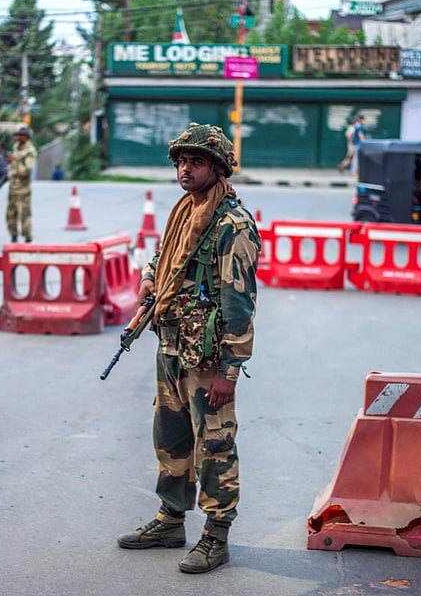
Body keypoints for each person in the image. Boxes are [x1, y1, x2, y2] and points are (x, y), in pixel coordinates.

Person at [116, 122, 261, 574]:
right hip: (172, 346)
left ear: (217, 169)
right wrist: (147, 279)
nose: (185, 168)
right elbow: (164, 257)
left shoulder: (232, 225)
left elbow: (240, 303)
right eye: (181, 161)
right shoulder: (185, 211)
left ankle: (216, 535)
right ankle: (170, 520)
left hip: (209, 357)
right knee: (172, 437)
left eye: (196, 161)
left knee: (215, 444)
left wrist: (229, 372)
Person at [5, 127, 36, 243]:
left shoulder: (30, 152)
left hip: (23, 190)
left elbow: (26, 171)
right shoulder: (15, 148)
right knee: (10, 215)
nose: (18, 137)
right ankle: (13, 236)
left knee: (24, 215)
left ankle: (28, 238)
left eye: (21, 135)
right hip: (13, 188)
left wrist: (15, 161)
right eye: (17, 135)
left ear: (26, 137)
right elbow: (12, 166)